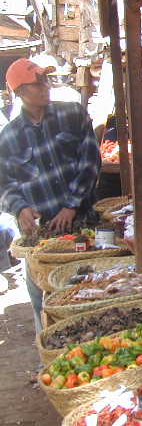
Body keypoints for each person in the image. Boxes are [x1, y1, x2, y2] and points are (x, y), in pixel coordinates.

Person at [0, 58, 101, 333]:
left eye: (46, 80)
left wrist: (71, 205)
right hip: (41, 237)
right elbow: (5, 185)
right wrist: (20, 208)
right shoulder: (9, 138)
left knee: (89, 295)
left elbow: (90, 161)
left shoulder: (73, 113)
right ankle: (50, 357)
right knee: (44, 304)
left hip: (82, 227)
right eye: (37, 83)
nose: (46, 87)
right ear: (20, 92)